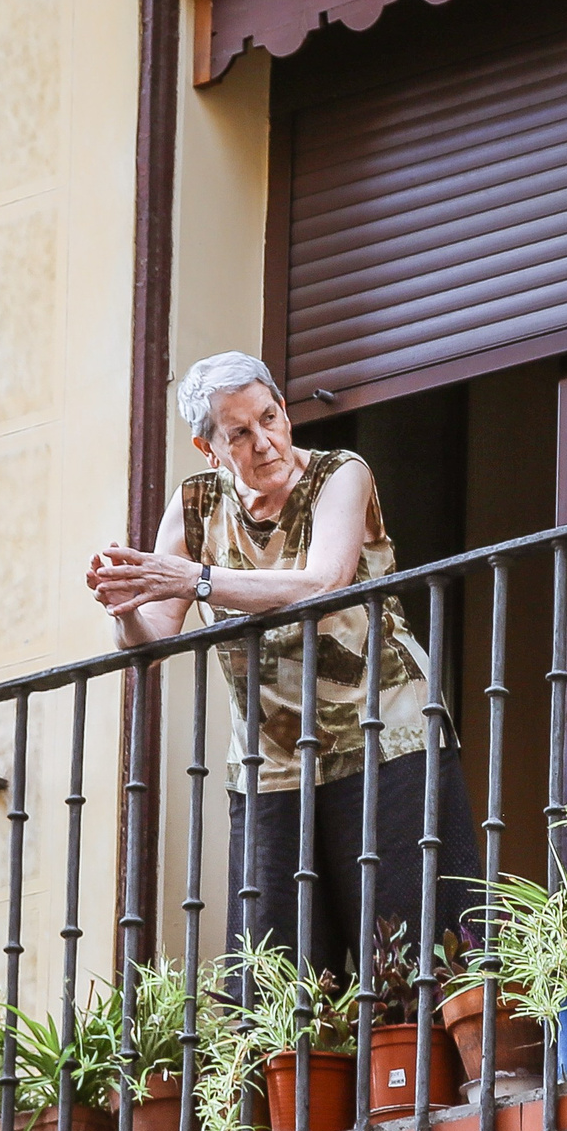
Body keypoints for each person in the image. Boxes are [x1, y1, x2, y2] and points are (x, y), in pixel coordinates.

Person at [86, 351, 477, 982]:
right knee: (276, 973)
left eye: (270, 418)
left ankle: (434, 1080)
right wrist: (124, 605)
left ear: (285, 411)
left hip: (387, 739)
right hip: (270, 766)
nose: (264, 442)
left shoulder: (339, 474)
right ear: (207, 446)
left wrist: (199, 579)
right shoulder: (194, 509)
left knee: (417, 946)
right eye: (239, 432)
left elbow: (323, 582)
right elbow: (153, 636)